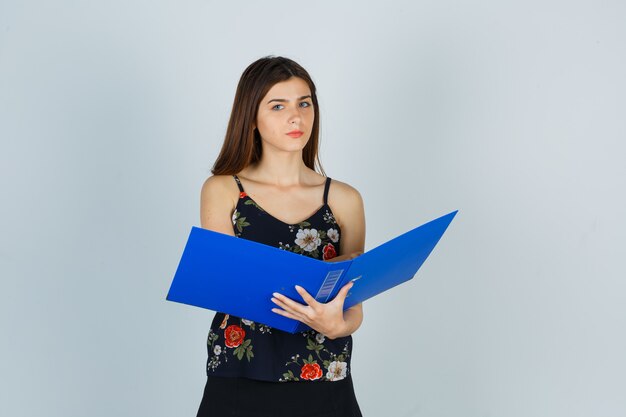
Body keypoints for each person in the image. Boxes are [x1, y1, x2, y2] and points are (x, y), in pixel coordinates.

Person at [195, 55, 366, 417]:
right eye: (278, 106)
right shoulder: (224, 190)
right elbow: (224, 289)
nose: (296, 117)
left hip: (326, 379)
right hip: (241, 378)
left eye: (305, 103)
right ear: (251, 117)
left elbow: (353, 307)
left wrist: (337, 324)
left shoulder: (345, 199)